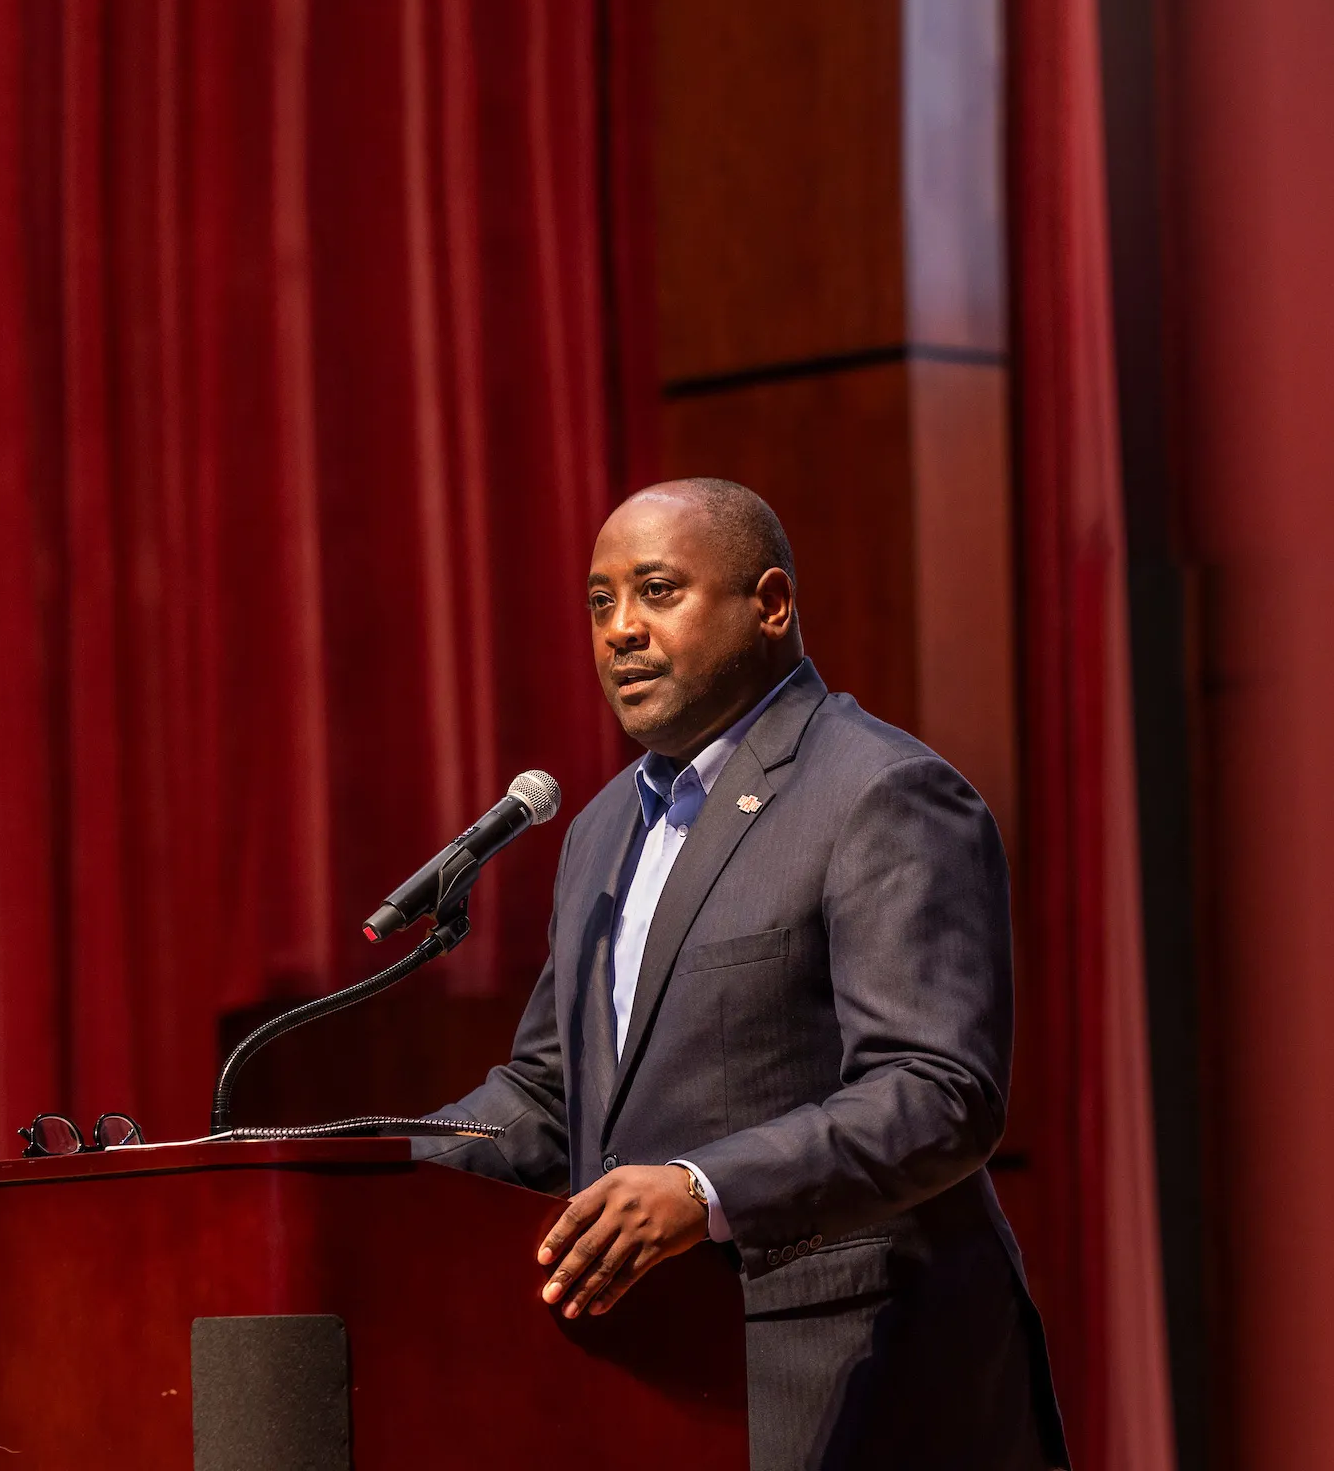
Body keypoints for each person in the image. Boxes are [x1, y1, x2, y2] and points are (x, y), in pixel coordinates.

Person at [418, 478, 1066, 1470]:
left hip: (855, 1369)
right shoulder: (597, 832)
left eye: (658, 591)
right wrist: (387, 1168)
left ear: (770, 604)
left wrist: (702, 1187)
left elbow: (939, 1094)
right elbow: (551, 1095)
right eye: (600, 603)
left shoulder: (880, 794)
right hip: (664, 1374)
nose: (621, 630)